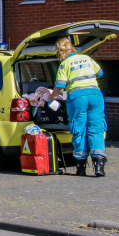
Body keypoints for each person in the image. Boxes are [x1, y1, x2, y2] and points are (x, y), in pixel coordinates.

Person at [49, 37, 107, 177]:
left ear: (60, 53)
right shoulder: (86, 58)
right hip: (95, 95)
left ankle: (81, 168)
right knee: (96, 128)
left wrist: (51, 97)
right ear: (72, 48)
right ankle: (99, 166)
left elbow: (60, 87)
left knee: (79, 130)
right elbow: (100, 73)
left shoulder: (64, 64)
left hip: (77, 98)